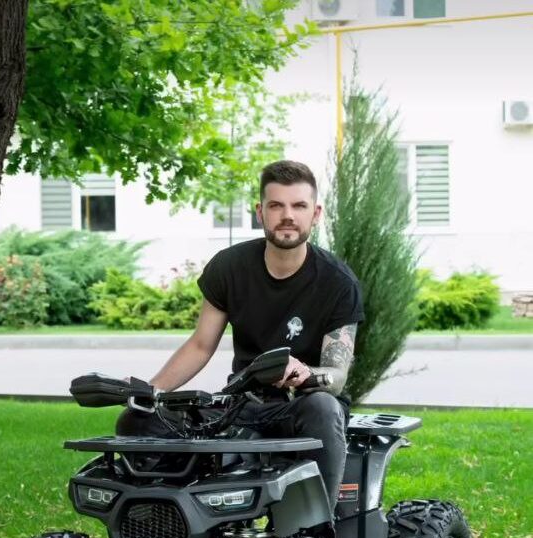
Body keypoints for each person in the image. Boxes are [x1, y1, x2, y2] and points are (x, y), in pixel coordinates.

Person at [117, 160, 364, 512]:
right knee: (137, 420)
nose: (287, 216)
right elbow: (200, 345)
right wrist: (150, 392)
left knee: (324, 406)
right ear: (260, 212)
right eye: (276, 206)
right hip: (241, 405)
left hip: (302, 408)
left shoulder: (338, 283)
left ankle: (319, 531)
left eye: (299, 206)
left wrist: (307, 373)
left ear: (316, 214)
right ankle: (158, 521)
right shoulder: (229, 267)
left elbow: (336, 377)